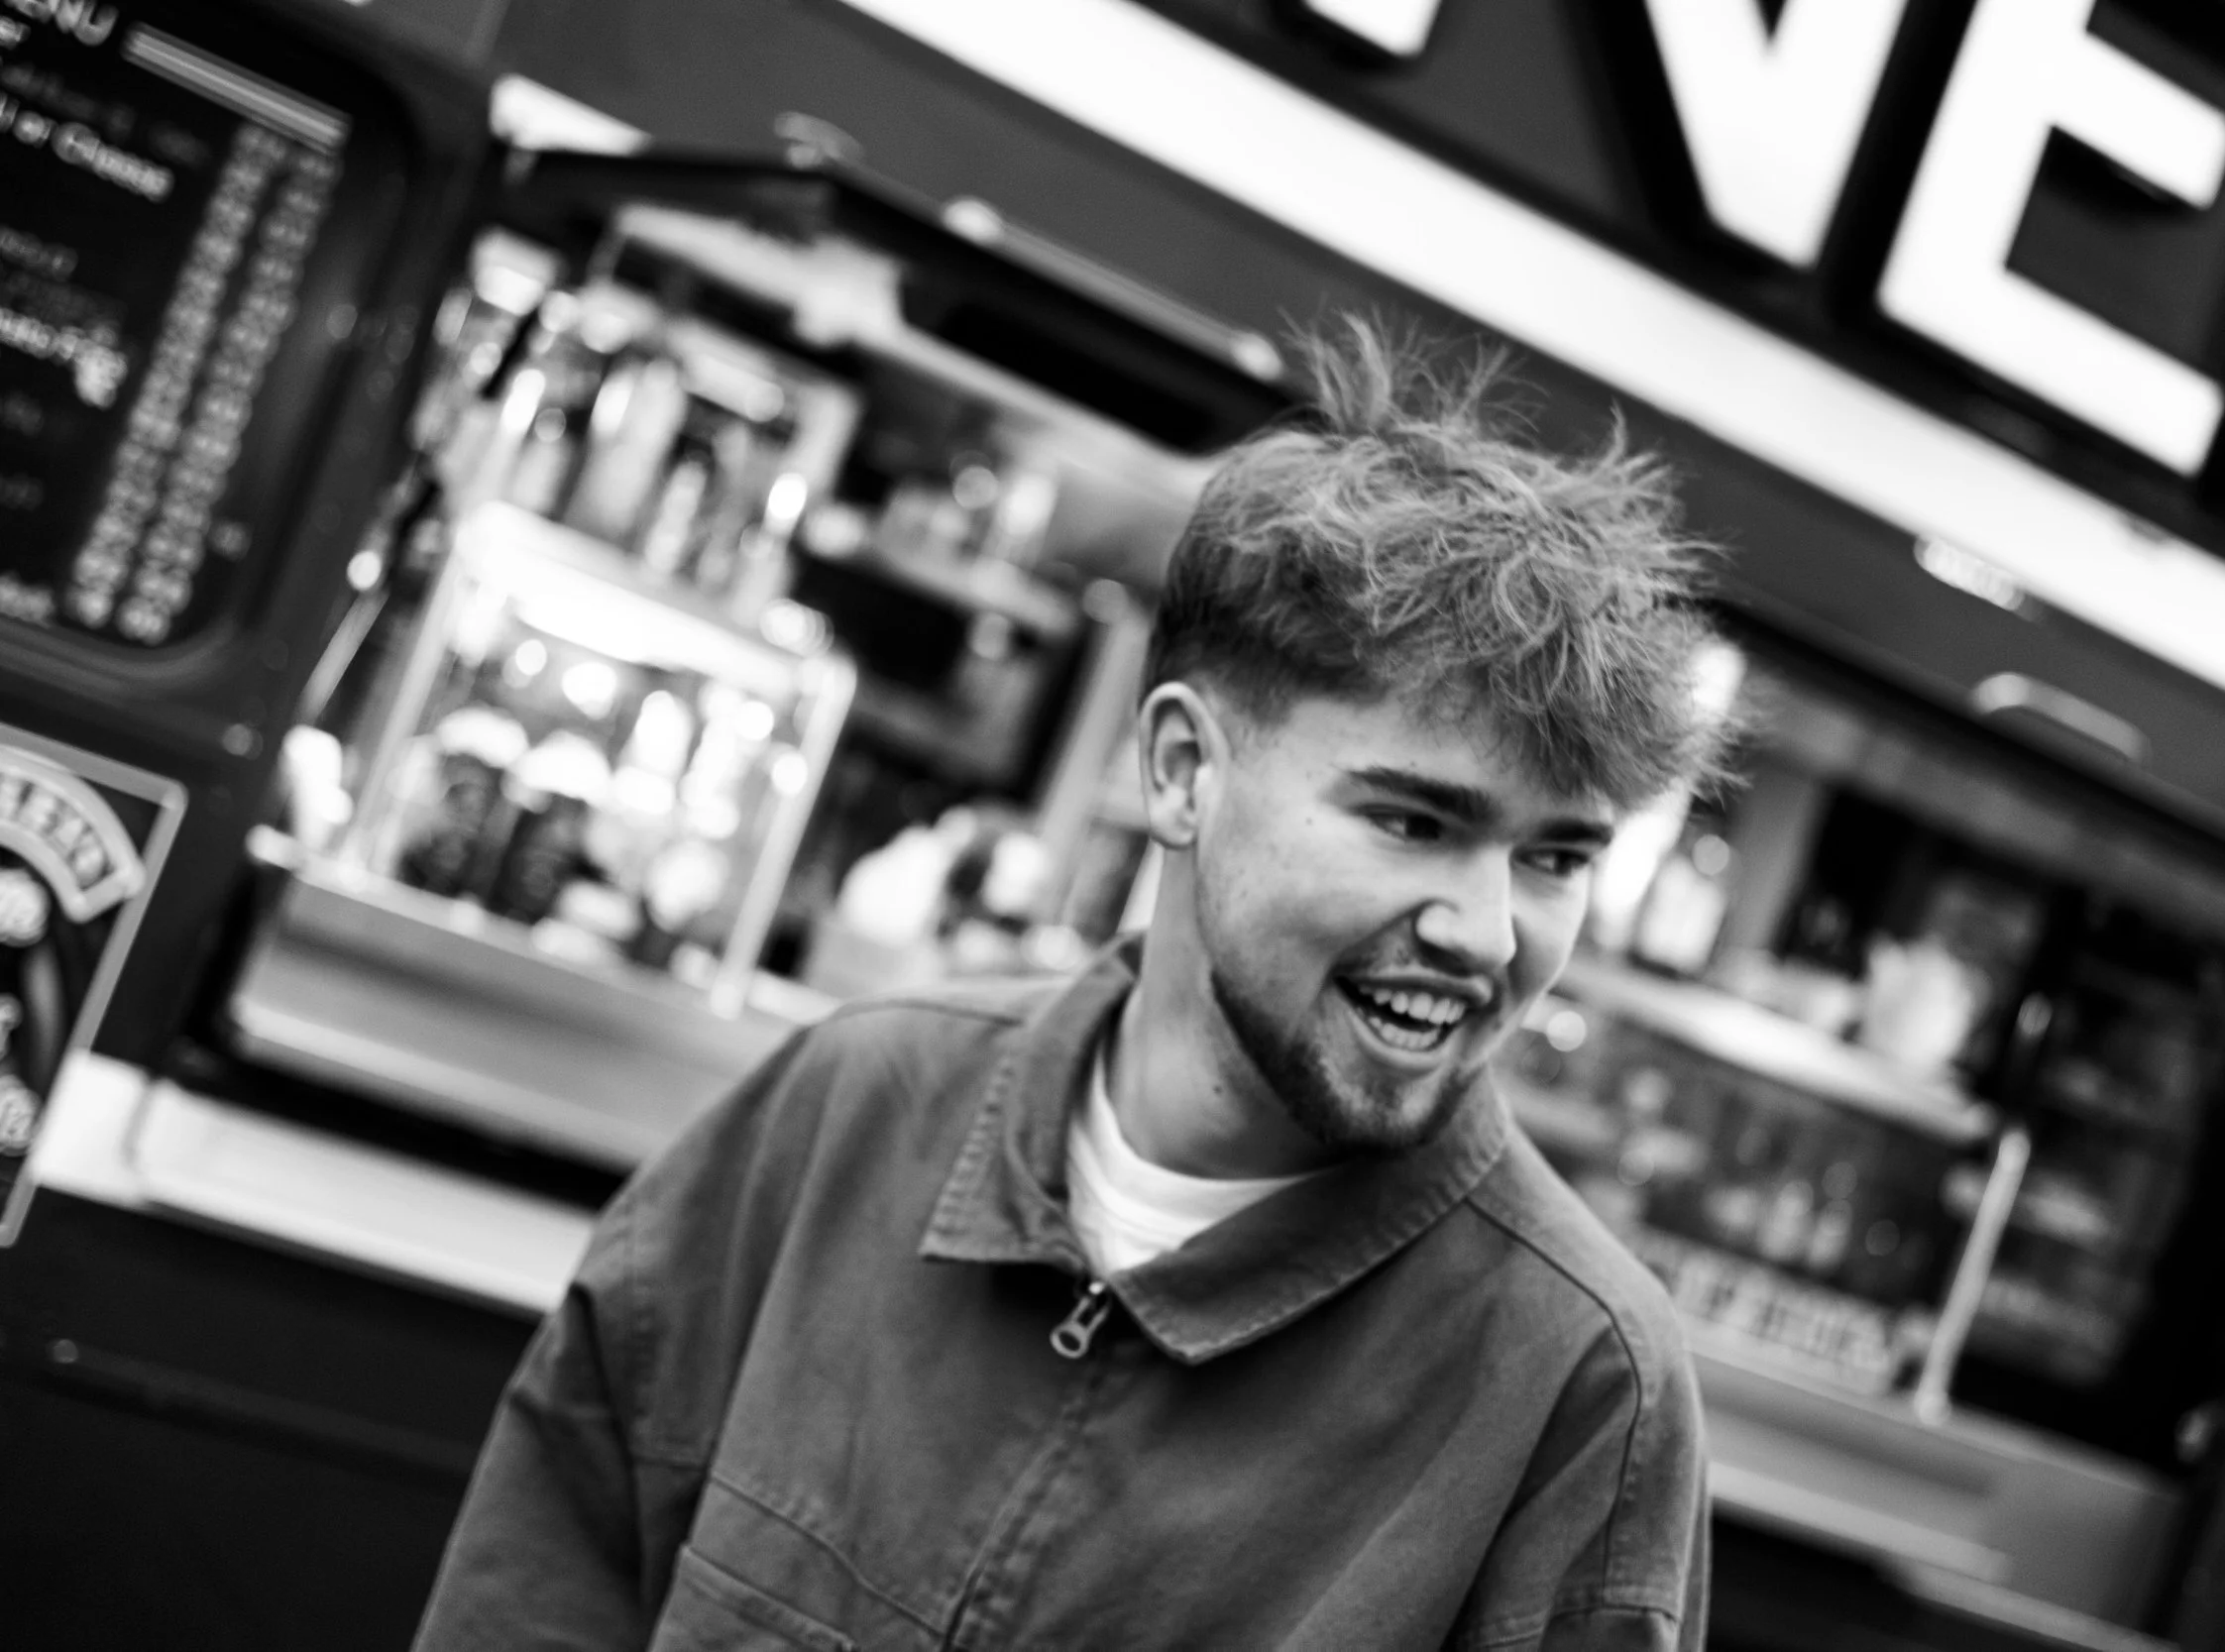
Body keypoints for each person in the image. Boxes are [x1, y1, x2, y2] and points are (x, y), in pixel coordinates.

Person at [414, 321, 1727, 1651]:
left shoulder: (1577, 1387)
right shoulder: (852, 1107)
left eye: (1557, 857)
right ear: (1183, 770)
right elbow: (545, 1581)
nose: (1489, 934)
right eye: (1412, 822)